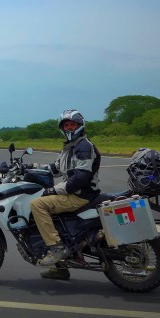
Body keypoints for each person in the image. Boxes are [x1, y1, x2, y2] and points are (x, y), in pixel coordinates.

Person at [29, 109, 101, 278]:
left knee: (37, 204)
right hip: (76, 193)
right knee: (50, 212)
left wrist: (53, 190)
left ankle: (56, 248)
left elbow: (80, 178)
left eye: (72, 124)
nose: (69, 128)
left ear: (80, 126)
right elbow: (54, 168)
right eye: (66, 125)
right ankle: (60, 268)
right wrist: (30, 167)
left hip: (81, 195)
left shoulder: (83, 146)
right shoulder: (70, 146)